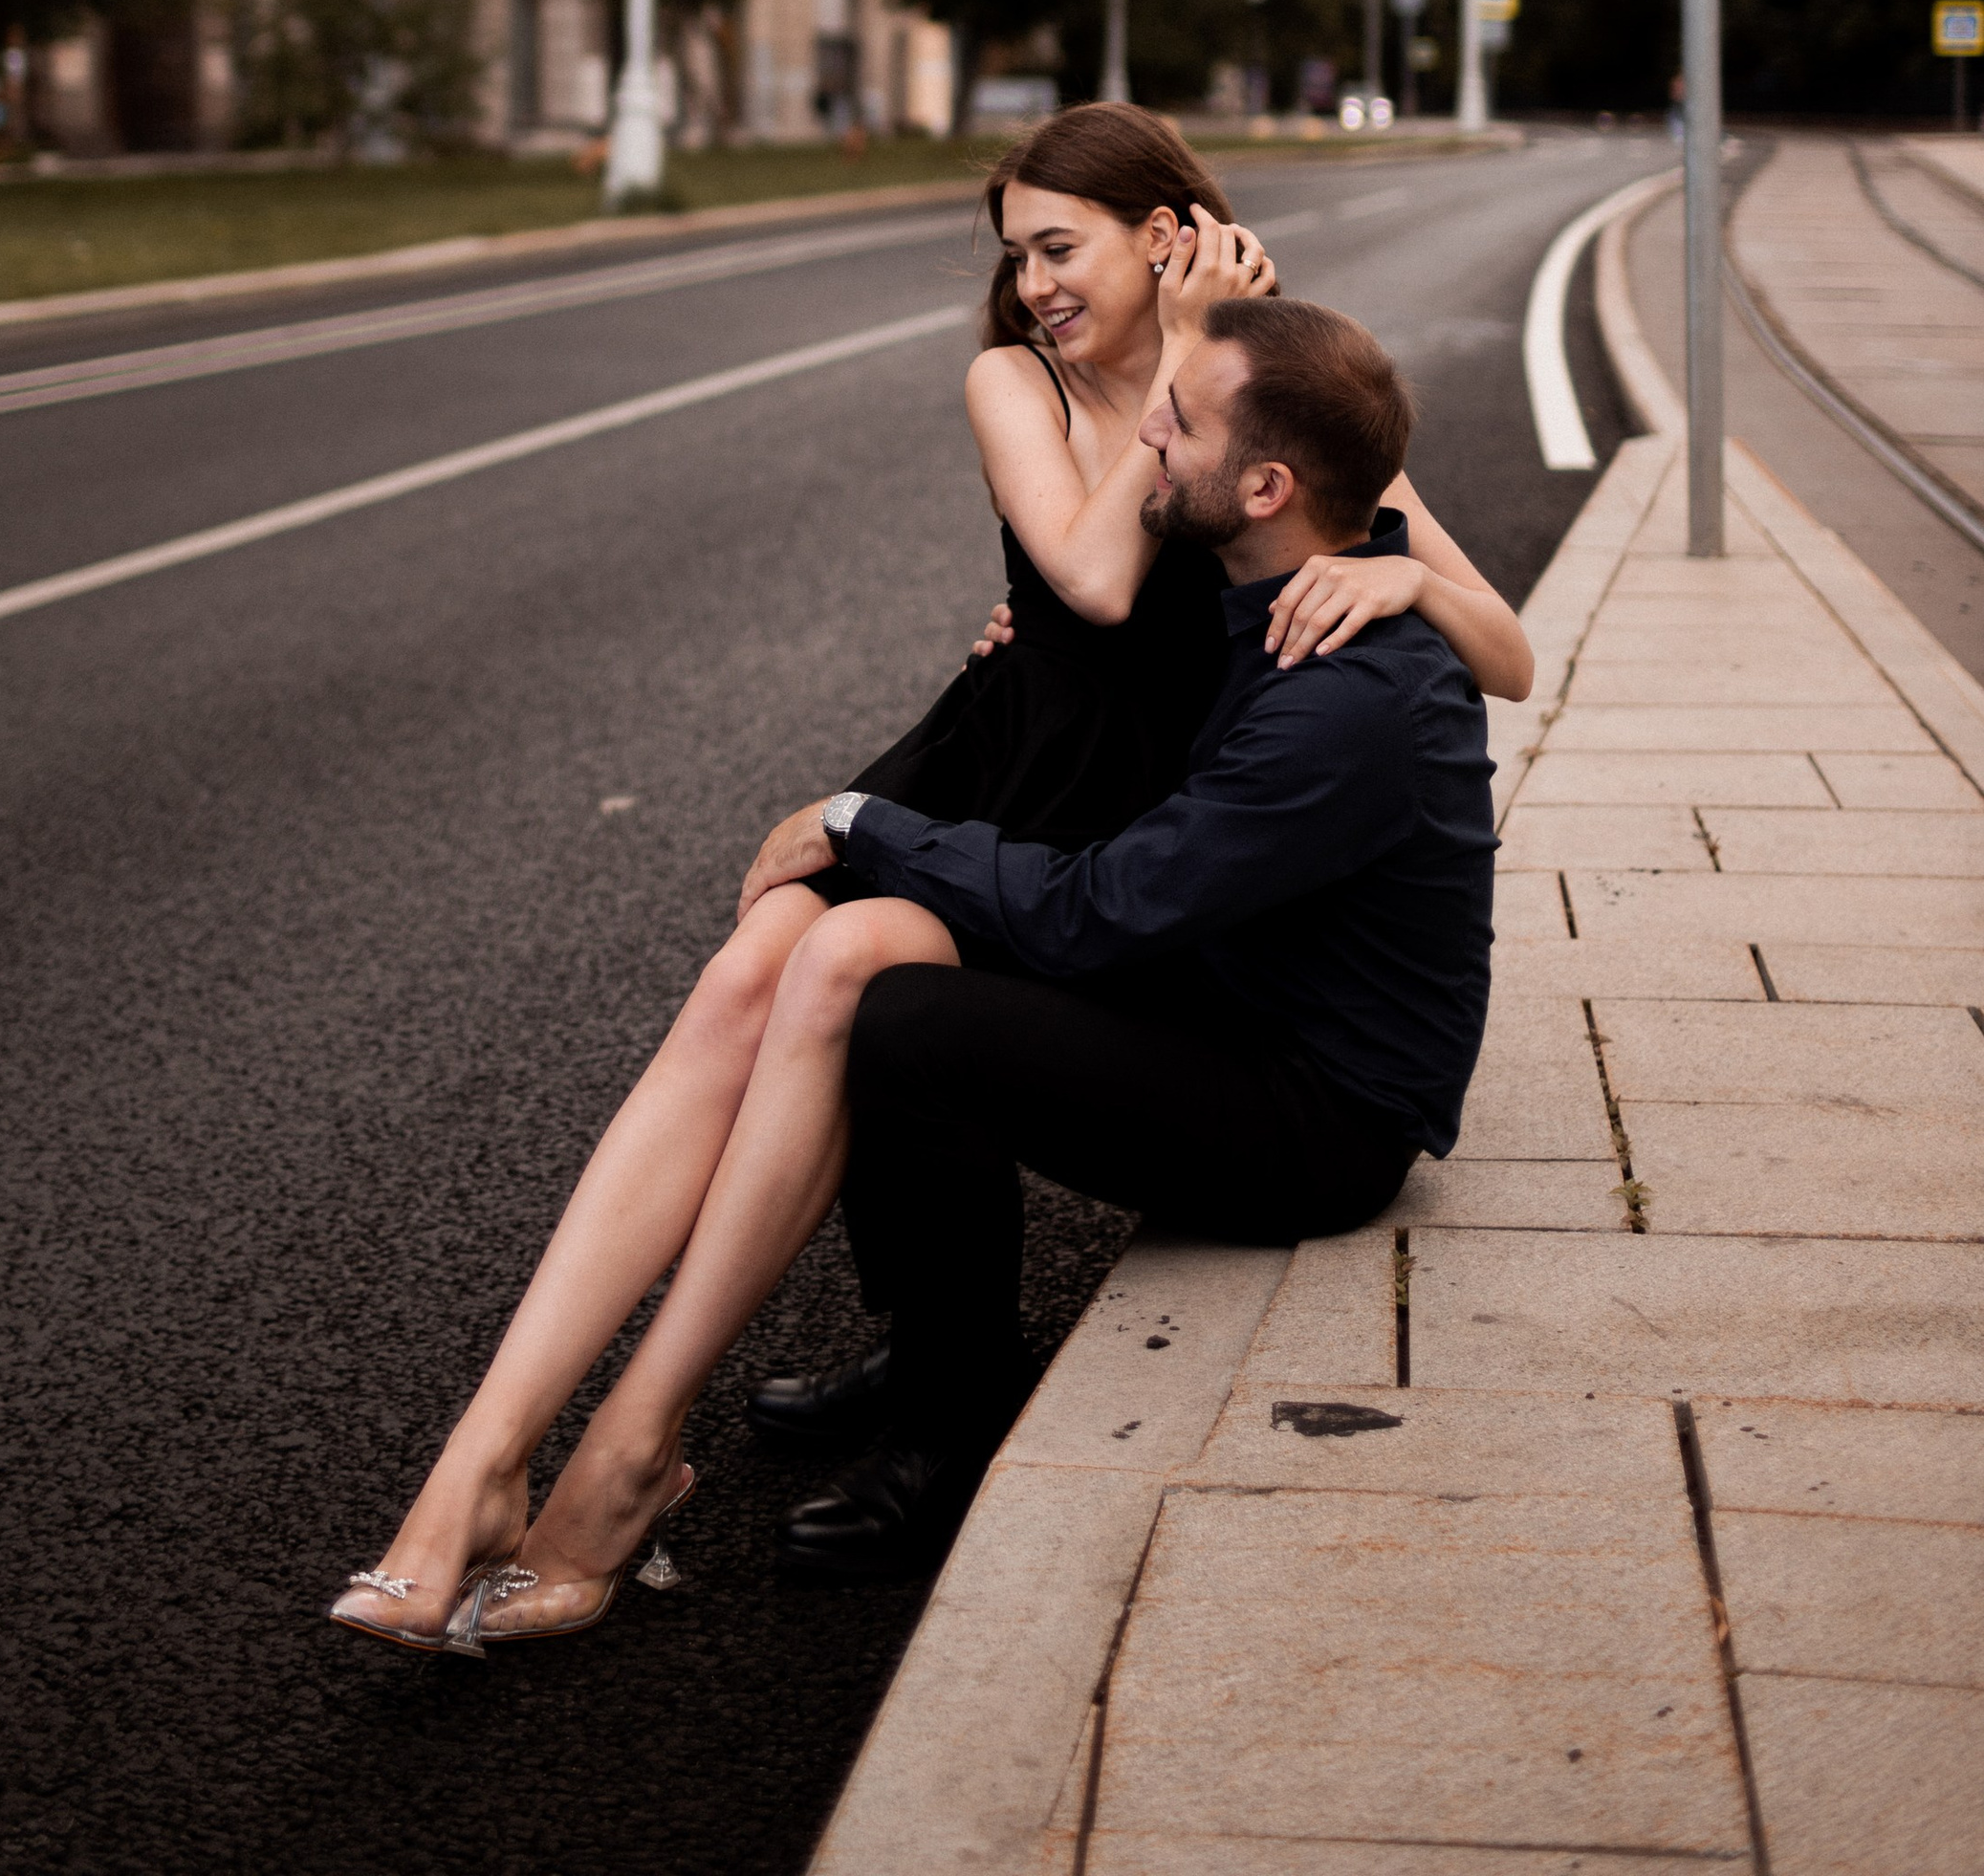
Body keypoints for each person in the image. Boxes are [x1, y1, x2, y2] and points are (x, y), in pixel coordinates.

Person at [326, 112, 1528, 1652]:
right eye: (1016, 253)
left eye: (1060, 246)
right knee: (763, 967)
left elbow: (1493, 649)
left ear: (1165, 235)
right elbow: (1085, 585)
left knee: (871, 992)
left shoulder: (1250, 387)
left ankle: (661, 1445)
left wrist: (1409, 566)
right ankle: (488, 1463)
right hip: (1029, 773)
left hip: (1161, 834)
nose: (1033, 282)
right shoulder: (1027, 382)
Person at [765, 294, 1498, 1579]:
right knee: (908, 944)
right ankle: (934, 1342)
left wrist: (860, 820)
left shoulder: (1346, 697)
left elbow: (1098, 912)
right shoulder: (1272, 592)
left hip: (1322, 1118)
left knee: (915, 1025)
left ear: (1265, 487)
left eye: (1181, 420)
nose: (1147, 430)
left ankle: (955, 1422)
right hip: (1242, 997)